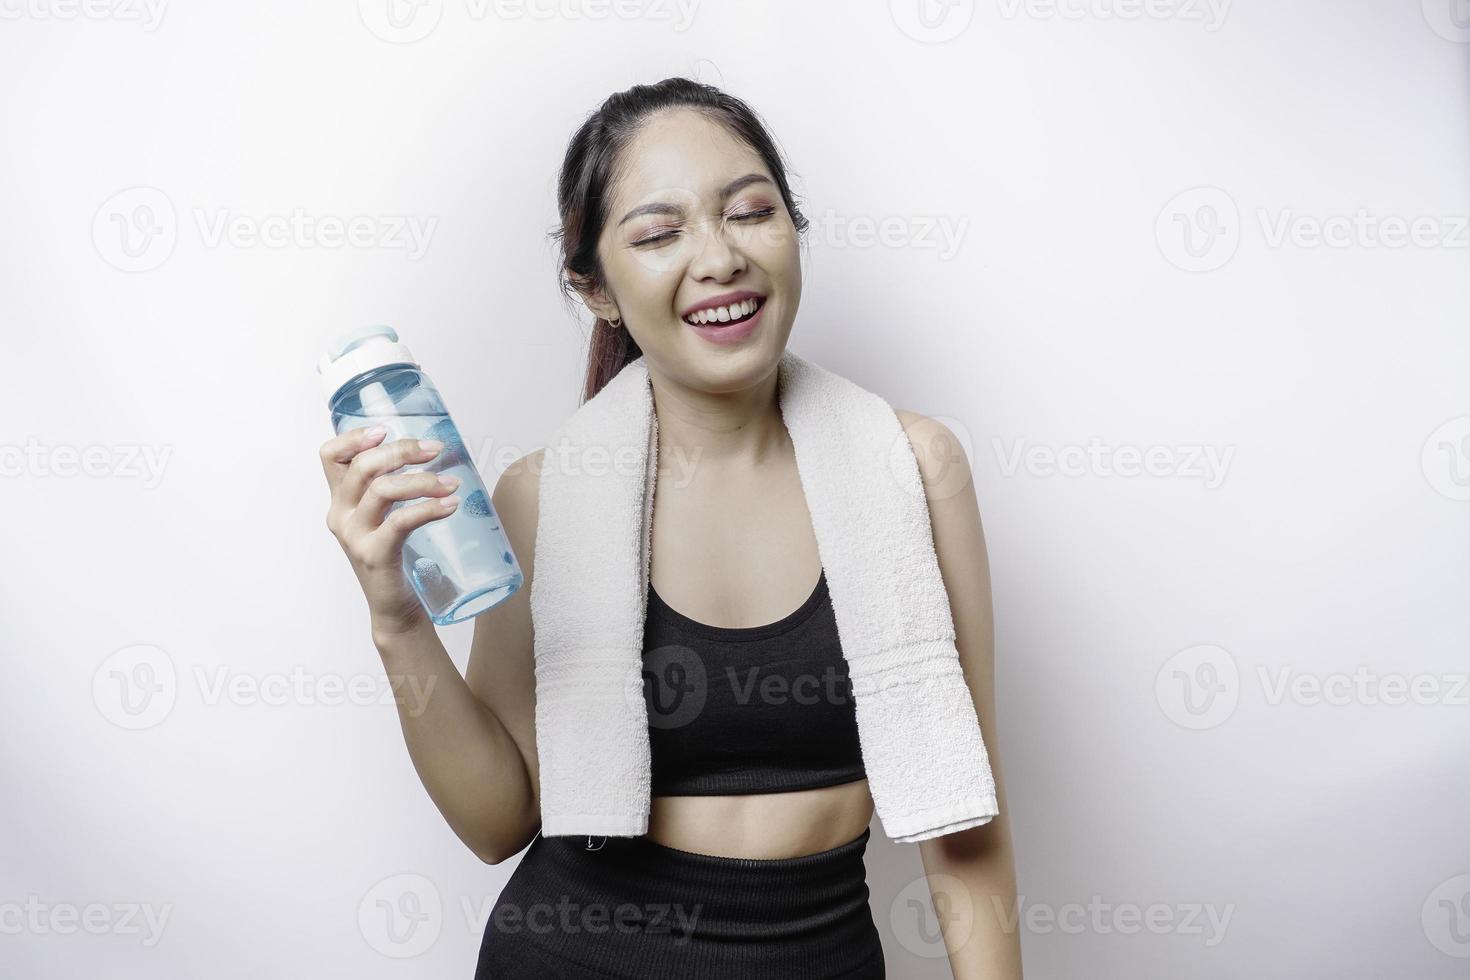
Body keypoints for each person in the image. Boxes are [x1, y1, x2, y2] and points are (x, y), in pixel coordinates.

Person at [319, 76, 1021, 979]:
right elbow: (498, 824)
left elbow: (968, 815)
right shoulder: (543, 496)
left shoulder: (916, 469)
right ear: (598, 288)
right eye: (657, 234)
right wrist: (396, 620)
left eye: (751, 212)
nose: (721, 257)